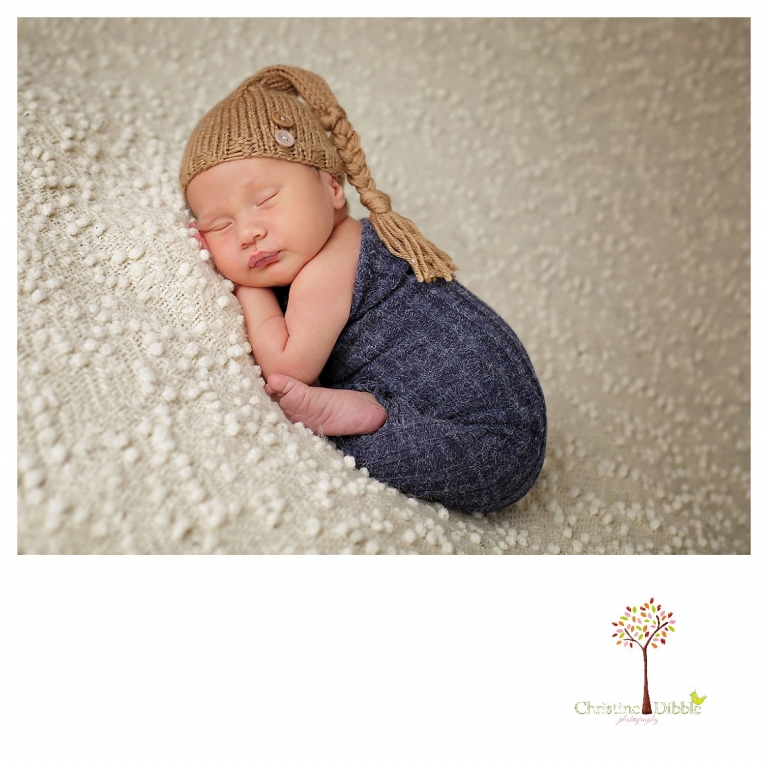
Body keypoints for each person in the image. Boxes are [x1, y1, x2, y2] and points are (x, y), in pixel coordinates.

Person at [180, 64, 546, 512]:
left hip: (490, 437)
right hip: (488, 427)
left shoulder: (336, 258)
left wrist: (244, 284)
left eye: (266, 200)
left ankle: (362, 417)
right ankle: (374, 413)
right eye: (220, 226)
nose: (247, 232)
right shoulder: (332, 250)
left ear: (333, 188)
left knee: (372, 450)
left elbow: (286, 365)